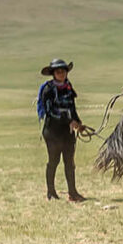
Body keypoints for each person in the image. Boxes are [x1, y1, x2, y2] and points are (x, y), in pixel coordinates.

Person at [37, 58, 85, 201]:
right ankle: (51, 192)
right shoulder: (48, 89)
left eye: (63, 71)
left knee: (69, 162)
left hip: (67, 131)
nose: (61, 73)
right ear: (53, 73)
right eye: (58, 71)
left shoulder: (68, 87)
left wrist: (78, 122)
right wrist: (70, 121)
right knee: (54, 161)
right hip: (53, 131)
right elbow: (50, 111)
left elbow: (72, 108)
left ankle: (73, 192)